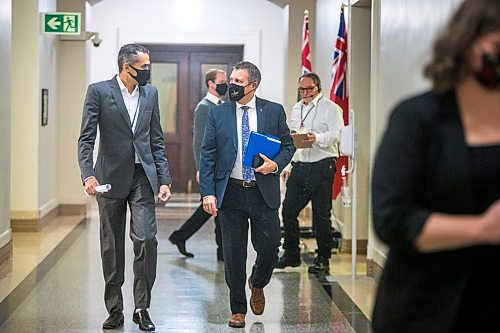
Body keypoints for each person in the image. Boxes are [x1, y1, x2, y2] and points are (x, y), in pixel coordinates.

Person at [371, 1, 500, 332]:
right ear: (465, 43)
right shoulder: (417, 118)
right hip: (427, 308)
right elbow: (391, 219)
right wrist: (483, 229)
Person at [78, 43, 172, 331]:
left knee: (146, 240)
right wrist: (88, 176)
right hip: (109, 178)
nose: (147, 71)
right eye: (143, 67)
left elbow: (156, 137)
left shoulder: (151, 93)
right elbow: (86, 139)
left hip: (143, 176)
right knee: (112, 245)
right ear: (126, 66)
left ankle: (142, 308)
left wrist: (165, 178)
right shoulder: (99, 91)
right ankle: (115, 308)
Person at [199, 61, 295, 328]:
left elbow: (287, 146)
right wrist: (208, 192)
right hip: (230, 192)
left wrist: (275, 165)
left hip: (262, 192)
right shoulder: (218, 114)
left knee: (270, 249)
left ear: (253, 85)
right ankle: (238, 309)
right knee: (233, 254)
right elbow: (207, 154)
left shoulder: (273, 111)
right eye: (232, 80)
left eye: (239, 82)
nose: (232, 85)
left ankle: (258, 281)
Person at [276, 72, 344, 274]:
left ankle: (323, 258)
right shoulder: (297, 108)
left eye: (309, 89)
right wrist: (287, 166)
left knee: (321, 215)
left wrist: (318, 138)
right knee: (288, 211)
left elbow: (337, 134)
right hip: (301, 165)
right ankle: (291, 255)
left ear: (318, 88)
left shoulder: (331, 108)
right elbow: (293, 140)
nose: (305, 93)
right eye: (302, 89)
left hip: (322, 164)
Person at [168, 69, 227, 260]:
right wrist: (201, 168)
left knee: (215, 207)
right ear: (211, 84)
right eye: (222, 81)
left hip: (222, 165)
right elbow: (199, 141)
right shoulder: (204, 107)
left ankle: (181, 236)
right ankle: (222, 251)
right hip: (212, 166)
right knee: (216, 207)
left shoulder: (222, 104)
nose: (226, 84)